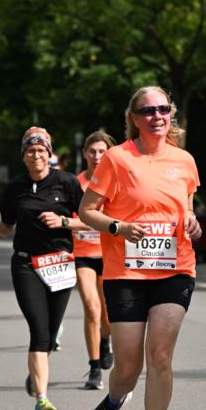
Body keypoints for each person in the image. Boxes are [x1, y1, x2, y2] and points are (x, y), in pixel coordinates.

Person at [78, 86, 202, 410]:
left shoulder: (184, 160)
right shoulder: (117, 159)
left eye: (163, 109)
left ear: (171, 113)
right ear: (134, 118)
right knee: (128, 367)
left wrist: (192, 222)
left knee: (160, 357)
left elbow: (186, 209)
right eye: (148, 111)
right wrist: (118, 226)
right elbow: (87, 211)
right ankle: (115, 398)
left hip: (175, 269)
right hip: (126, 273)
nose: (157, 116)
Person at [0, 127, 85, 410]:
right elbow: (6, 228)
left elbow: (90, 220)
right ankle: (42, 401)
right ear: (23, 156)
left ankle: (37, 371)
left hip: (59, 264)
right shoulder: (15, 187)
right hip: (26, 264)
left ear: (49, 154)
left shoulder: (67, 183)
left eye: (41, 150)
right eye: (30, 151)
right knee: (39, 329)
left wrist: (63, 221)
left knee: (50, 334)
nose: (36, 155)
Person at [73, 130, 115, 389]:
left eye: (102, 151)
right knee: (91, 307)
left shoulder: (115, 182)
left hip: (108, 254)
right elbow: (67, 216)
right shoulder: (74, 183)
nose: (97, 156)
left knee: (107, 314)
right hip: (82, 255)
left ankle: (105, 339)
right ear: (84, 154)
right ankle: (94, 368)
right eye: (92, 151)